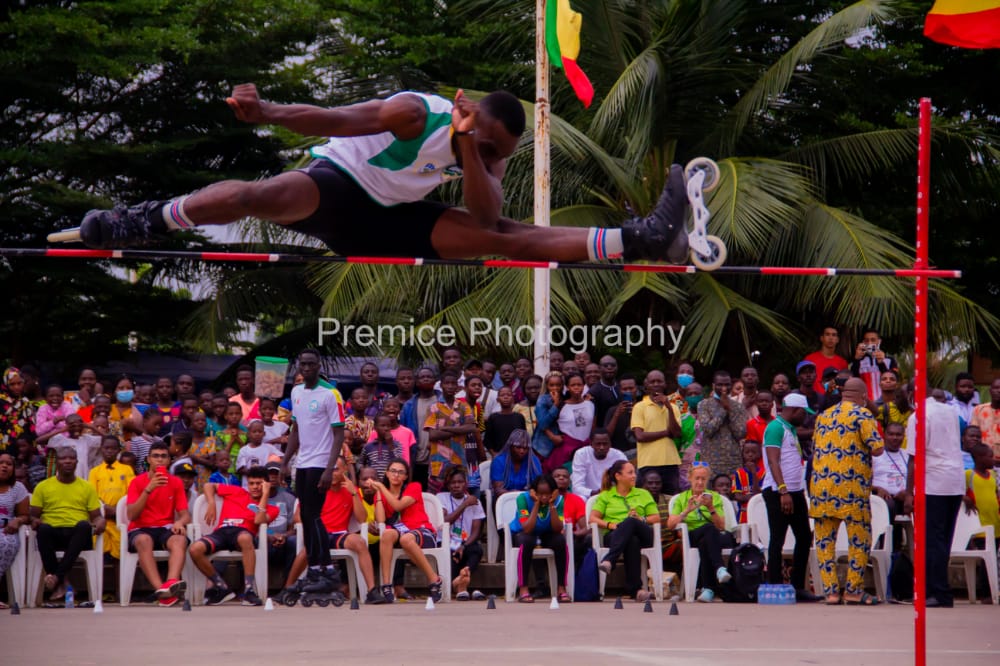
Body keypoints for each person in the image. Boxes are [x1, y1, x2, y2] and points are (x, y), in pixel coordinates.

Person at [79, 84, 692, 267]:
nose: (489, 155)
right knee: (257, 195)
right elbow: (334, 118)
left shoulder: (485, 148)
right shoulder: (413, 112)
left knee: (505, 233)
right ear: (469, 113)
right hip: (338, 188)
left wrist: (471, 151)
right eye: (484, 143)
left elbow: (482, 213)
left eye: (497, 151)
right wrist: (266, 112)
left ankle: (639, 238)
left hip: (396, 222)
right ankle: (147, 218)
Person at [810, 377, 884, 605]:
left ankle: (831, 592)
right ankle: (852, 589)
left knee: (824, 542)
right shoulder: (862, 415)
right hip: (852, 489)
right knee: (859, 540)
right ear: (863, 396)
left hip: (822, 487)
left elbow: (814, 446)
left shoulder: (823, 416)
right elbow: (878, 448)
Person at [282, 348, 347, 600]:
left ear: (319, 366)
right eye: (303, 364)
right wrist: (286, 461)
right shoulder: (296, 391)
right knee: (306, 518)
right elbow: (296, 429)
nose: (306, 368)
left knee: (314, 515)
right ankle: (314, 568)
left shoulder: (331, 394)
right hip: (303, 462)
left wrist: (330, 469)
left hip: (322, 462)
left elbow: (339, 433)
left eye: (311, 364)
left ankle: (327, 569)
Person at [905, 390, 965, 608]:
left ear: (912, 394)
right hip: (955, 481)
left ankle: (938, 592)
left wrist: (908, 491)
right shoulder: (951, 411)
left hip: (933, 483)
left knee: (932, 540)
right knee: (944, 540)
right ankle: (939, 590)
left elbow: (913, 457)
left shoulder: (918, 416)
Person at [761, 394, 822, 602]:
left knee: (804, 536)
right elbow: (773, 461)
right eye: (804, 413)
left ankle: (797, 587)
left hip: (795, 491)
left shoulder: (791, 429)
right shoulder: (776, 428)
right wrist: (783, 490)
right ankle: (776, 585)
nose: (806, 417)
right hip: (779, 491)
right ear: (795, 410)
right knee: (777, 538)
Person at [189, 466, 278, 606]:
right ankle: (221, 587)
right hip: (222, 532)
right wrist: (211, 503)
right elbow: (208, 485)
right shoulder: (237, 491)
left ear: (266, 484)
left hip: (243, 534)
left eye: (259, 483)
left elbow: (258, 520)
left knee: (245, 538)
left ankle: (249, 590)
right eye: (251, 483)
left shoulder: (273, 509)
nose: (254, 487)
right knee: (195, 549)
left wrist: (265, 495)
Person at [29, 447, 105, 603]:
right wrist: (34, 521)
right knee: (43, 529)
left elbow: (96, 517)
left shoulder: (86, 487)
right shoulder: (43, 487)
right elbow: (33, 516)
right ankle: (62, 581)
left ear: (77, 462)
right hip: (52, 534)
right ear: (56, 463)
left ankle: (56, 578)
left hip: (77, 535)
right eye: (63, 458)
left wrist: (101, 522)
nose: (68, 461)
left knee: (84, 526)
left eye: (71, 458)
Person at [125, 441, 191, 606]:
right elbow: (132, 515)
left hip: (165, 528)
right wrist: (149, 489)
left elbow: (185, 515)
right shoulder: (137, 482)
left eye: (163, 456)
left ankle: (171, 583)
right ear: (148, 459)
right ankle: (162, 591)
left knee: (180, 539)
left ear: (169, 460)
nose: (159, 460)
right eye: (155, 456)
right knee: (144, 540)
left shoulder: (175, 482)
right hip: (140, 528)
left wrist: (180, 522)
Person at [370, 458, 444, 603]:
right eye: (393, 471)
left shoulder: (413, 487)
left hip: (422, 530)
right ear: (387, 473)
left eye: (400, 472)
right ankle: (386, 584)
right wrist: (379, 493)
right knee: (386, 534)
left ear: (405, 476)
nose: (396, 475)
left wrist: (381, 488)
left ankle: (434, 579)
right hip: (401, 532)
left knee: (406, 539)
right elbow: (380, 520)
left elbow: (397, 506)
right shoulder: (383, 494)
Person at [591, 460, 660, 602]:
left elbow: (657, 517)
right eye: (630, 473)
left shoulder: (643, 494)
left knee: (630, 522)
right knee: (631, 540)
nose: (634, 476)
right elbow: (593, 519)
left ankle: (610, 560)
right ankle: (636, 591)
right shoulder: (606, 495)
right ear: (618, 476)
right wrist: (611, 525)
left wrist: (640, 519)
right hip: (615, 534)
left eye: (634, 472)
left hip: (644, 534)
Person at [667, 462, 734, 603]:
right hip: (691, 536)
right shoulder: (681, 498)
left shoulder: (714, 497)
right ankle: (720, 568)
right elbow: (671, 525)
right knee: (708, 530)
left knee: (706, 540)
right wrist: (687, 510)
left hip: (711, 538)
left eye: (703, 479)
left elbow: (721, 526)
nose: (700, 482)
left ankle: (708, 589)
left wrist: (710, 507)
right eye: (697, 478)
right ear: (690, 478)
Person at [507, 473, 571, 603]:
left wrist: (552, 505)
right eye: (540, 494)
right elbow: (527, 528)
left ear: (554, 492)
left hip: (546, 532)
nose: (544, 497)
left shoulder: (559, 500)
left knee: (560, 541)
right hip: (524, 533)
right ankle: (523, 588)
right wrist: (536, 504)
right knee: (526, 542)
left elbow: (558, 528)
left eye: (548, 494)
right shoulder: (523, 499)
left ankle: (561, 588)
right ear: (533, 492)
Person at [436, 465, 486, 601]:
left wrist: (463, 546)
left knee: (476, 549)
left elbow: (476, 532)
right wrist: (464, 505)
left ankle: (461, 580)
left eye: (460, 482)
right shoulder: (441, 498)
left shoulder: (476, 502)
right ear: (448, 484)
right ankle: (460, 586)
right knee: (451, 554)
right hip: (446, 541)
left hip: (465, 542)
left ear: (466, 483)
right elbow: (445, 521)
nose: (456, 485)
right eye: (453, 483)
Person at [631, 370, 684, 494]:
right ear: (647, 385)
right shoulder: (639, 407)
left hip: (670, 462)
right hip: (648, 463)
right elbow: (640, 436)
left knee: (671, 501)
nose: (656, 384)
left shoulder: (674, 408)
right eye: (652, 382)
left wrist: (669, 407)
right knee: (647, 501)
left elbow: (676, 433)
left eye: (659, 381)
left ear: (665, 384)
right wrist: (666, 433)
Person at [424, 370, 476, 493]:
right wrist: (459, 429)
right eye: (447, 383)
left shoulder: (464, 406)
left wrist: (446, 428)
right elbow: (433, 435)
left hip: (459, 461)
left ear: (457, 386)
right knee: (436, 499)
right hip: (438, 463)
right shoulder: (433, 407)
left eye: (453, 383)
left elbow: (471, 428)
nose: (450, 386)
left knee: (460, 498)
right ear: (441, 385)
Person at [88, 435, 134, 561]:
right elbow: (93, 495)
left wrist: (117, 510)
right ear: (101, 449)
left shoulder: (126, 469)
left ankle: (120, 581)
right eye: (106, 448)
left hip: (120, 521)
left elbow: (131, 493)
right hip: (102, 520)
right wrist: (104, 508)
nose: (109, 451)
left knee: (121, 557)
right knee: (100, 556)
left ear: (119, 450)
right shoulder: (94, 472)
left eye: (113, 448)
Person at [697, 370, 747, 478]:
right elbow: (708, 430)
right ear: (713, 386)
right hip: (710, 463)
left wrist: (730, 411)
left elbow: (740, 433)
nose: (724, 388)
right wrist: (724, 410)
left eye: (727, 385)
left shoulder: (738, 407)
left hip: (733, 462)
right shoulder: (704, 405)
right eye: (720, 385)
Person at [546, 372, 594, 473]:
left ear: (584, 386)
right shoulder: (560, 406)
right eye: (573, 385)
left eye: (579, 384)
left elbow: (593, 427)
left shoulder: (590, 404)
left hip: (587, 448)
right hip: (567, 450)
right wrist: (552, 436)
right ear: (567, 387)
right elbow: (543, 423)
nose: (576, 387)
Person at [0, 452, 30, 608]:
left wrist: (17, 520)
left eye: (9, 464)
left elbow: (25, 515)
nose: (4, 466)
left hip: (6, 531)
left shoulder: (18, 488)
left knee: (2, 543)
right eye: (1, 462)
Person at [570, 429, 627, 499]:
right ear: (591, 444)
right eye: (598, 444)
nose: (602, 447)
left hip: (612, 495)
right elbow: (577, 487)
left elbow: (625, 481)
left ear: (610, 444)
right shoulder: (582, 454)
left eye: (605, 444)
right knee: (580, 498)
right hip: (588, 495)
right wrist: (594, 493)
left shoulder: (619, 456)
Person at [490, 429, 544, 499]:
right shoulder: (499, 461)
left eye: (525, 448)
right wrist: (514, 495)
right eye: (518, 447)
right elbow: (498, 489)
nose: (522, 451)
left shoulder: (533, 461)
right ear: (510, 446)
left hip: (527, 498)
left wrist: (522, 497)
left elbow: (538, 487)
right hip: (504, 499)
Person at [850, 328, 900, 402]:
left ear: (879, 341)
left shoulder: (889, 360)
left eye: (873, 340)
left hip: (886, 403)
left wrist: (881, 363)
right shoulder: (858, 361)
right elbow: (853, 380)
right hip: (865, 403)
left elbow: (894, 379)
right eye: (867, 341)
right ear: (863, 343)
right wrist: (856, 360)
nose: (870, 343)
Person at [366, 398, 415, 464]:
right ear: (383, 410)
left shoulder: (407, 432)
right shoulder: (375, 432)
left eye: (395, 406)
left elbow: (411, 457)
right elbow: (367, 452)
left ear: (399, 410)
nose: (391, 408)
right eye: (388, 406)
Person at [804, 325, 849, 394]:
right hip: (814, 400)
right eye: (827, 334)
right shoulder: (810, 359)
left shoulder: (842, 362)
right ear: (822, 338)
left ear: (837, 340)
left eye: (834, 335)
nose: (831, 338)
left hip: (835, 401)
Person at [235, 420, 282, 486]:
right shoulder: (244, 450)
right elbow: (239, 469)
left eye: (260, 431)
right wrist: (255, 472)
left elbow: (282, 457)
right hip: (248, 487)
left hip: (264, 485)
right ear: (248, 434)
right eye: (254, 432)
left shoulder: (269, 448)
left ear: (264, 433)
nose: (257, 434)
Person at [483, 386, 526, 455]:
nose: (505, 397)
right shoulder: (493, 418)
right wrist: (494, 454)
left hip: (516, 456)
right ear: (497, 399)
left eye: (509, 395)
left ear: (513, 398)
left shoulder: (519, 417)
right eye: (502, 395)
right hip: (499, 455)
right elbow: (487, 441)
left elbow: (524, 438)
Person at [361, 414, 405, 479]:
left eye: (388, 426)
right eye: (383, 426)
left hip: (390, 481)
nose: (386, 428)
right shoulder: (368, 446)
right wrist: (363, 471)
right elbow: (361, 462)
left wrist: (390, 444)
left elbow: (399, 462)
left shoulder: (396, 445)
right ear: (375, 427)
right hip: (373, 482)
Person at [732, 441, 764, 525]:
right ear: (743, 454)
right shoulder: (738, 473)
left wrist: (754, 473)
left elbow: (759, 496)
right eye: (747, 452)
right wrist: (753, 497)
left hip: (760, 513)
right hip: (743, 514)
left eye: (753, 452)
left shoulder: (764, 473)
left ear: (760, 454)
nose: (750, 455)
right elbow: (738, 496)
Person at [970, 378, 1000, 466]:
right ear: (990, 391)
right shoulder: (978, 409)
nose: (999, 391)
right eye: (996, 388)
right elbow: (974, 435)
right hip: (983, 464)